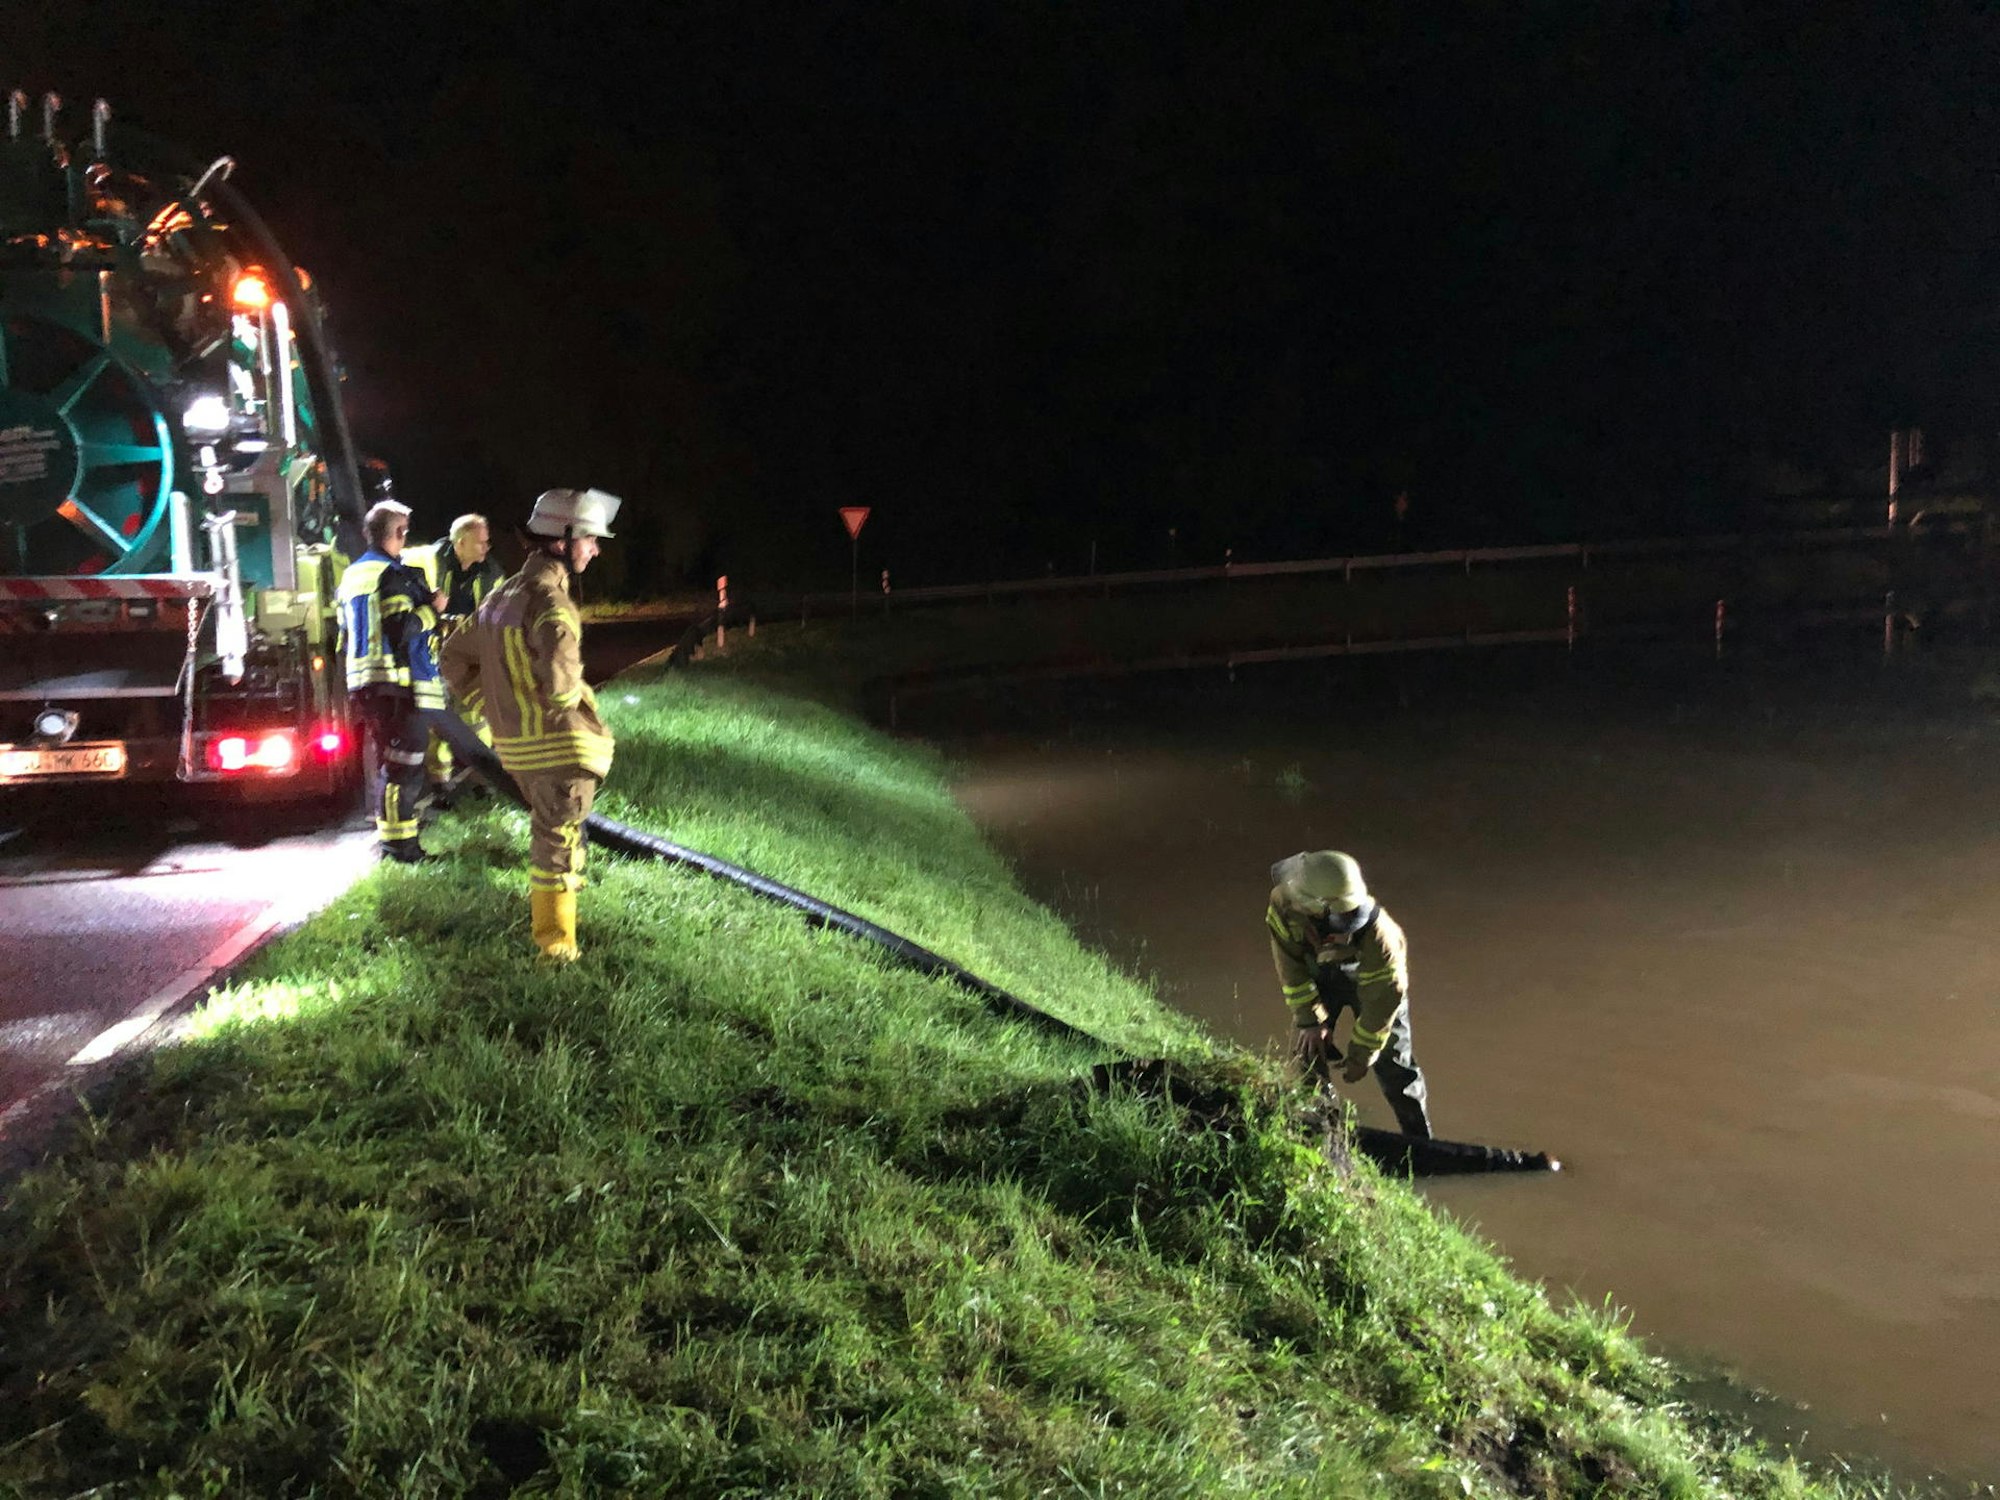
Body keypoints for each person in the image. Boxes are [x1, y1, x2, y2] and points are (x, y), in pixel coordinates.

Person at [441, 487, 620, 961]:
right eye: (589, 539)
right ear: (562, 540)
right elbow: (561, 688)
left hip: (519, 751)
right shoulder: (552, 604)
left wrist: (496, 708)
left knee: (554, 837)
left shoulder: (501, 597)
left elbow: (452, 658)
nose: (595, 548)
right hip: (561, 751)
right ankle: (557, 948)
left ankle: (559, 934)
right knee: (557, 844)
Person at [1265, 849, 1432, 1138]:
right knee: (1307, 1055)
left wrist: (1362, 1054)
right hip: (1318, 977)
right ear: (1310, 904)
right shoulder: (1284, 905)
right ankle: (1318, 1130)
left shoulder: (1382, 938)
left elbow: (1384, 999)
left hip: (1371, 983)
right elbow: (1290, 967)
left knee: (1395, 1065)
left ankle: (1420, 1141)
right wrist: (1310, 1021)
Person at [335, 499, 445, 863]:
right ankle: (401, 850)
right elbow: (403, 629)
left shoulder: (353, 575)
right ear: (398, 533)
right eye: (404, 532)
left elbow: (344, 635)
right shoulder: (392, 575)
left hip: (365, 685)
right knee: (405, 766)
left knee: (392, 763)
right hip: (396, 684)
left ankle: (396, 844)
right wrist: (433, 610)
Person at [405, 514, 507, 795]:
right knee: (438, 718)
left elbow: (498, 615)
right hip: (431, 655)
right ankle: (440, 783)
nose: (487, 548)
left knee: (478, 717)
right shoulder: (429, 562)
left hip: (471, 656)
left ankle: (482, 778)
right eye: (481, 543)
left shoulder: (492, 574)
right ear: (461, 543)